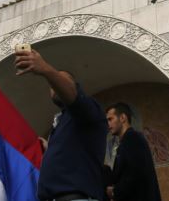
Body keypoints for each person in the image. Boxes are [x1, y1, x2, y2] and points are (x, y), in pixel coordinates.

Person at [14, 46, 107, 201]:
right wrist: (49, 149)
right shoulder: (61, 122)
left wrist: (46, 70)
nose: (54, 86)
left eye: (60, 81)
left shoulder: (89, 109)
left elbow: (75, 98)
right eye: (51, 85)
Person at [104, 103, 161, 201]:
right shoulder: (126, 142)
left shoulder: (133, 138)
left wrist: (115, 191)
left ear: (122, 118)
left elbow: (136, 174)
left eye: (110, 119)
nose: (108, 124)